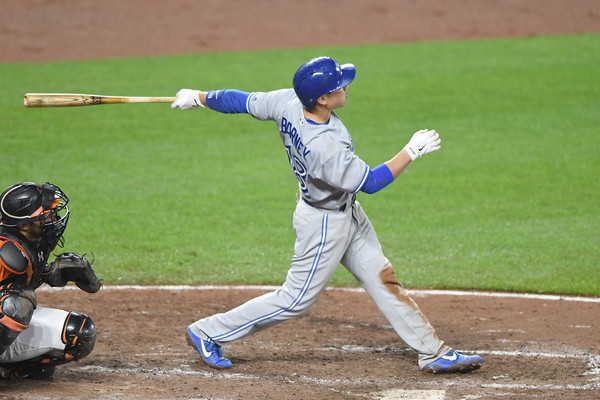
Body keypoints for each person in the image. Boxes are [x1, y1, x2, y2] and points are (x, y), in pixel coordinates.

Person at [171, 56, 483, 373]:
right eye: (339, 85)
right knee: (295, 300)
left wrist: (199, 97)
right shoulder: (324, 146)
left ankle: (433, 352)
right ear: (322, 98)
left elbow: (240, 100)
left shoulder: (287, 101)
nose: (346, 86)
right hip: (323, 224)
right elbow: (371, 182)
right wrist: (411, 152)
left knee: (381, 278)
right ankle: (208, 331)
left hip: (347, 212)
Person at [0, 182, 101, 379]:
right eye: (46, 214)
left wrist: (48, 274)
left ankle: (11, 370)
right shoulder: (6, 251)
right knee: (16, 304)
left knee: (79, 333)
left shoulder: (34, 241)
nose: (53, 218)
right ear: (25, 225)